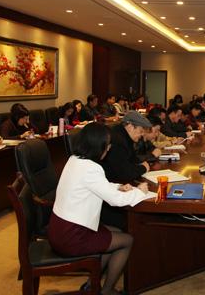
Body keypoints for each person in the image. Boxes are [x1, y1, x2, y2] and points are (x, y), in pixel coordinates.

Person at [47, 122, 148, 295]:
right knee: (127, 241)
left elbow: (98, 185)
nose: (109, 148)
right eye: (107, 144)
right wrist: (139, 192)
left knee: (115, 232)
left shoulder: (74, 160)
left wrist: (118, 187)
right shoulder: (92, 168)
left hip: (59, 228)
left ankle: (91, 284)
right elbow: (116, 201)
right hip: (72, 236)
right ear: (98, 145)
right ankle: (107, 290)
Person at [103, 111, 152, 183]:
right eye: (141, 131)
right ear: (130, 126)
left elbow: (133, 160)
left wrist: (141, 164)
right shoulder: (117, 140)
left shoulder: (124, 135)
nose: (142, 135)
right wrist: (143, 168)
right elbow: (125, 173)